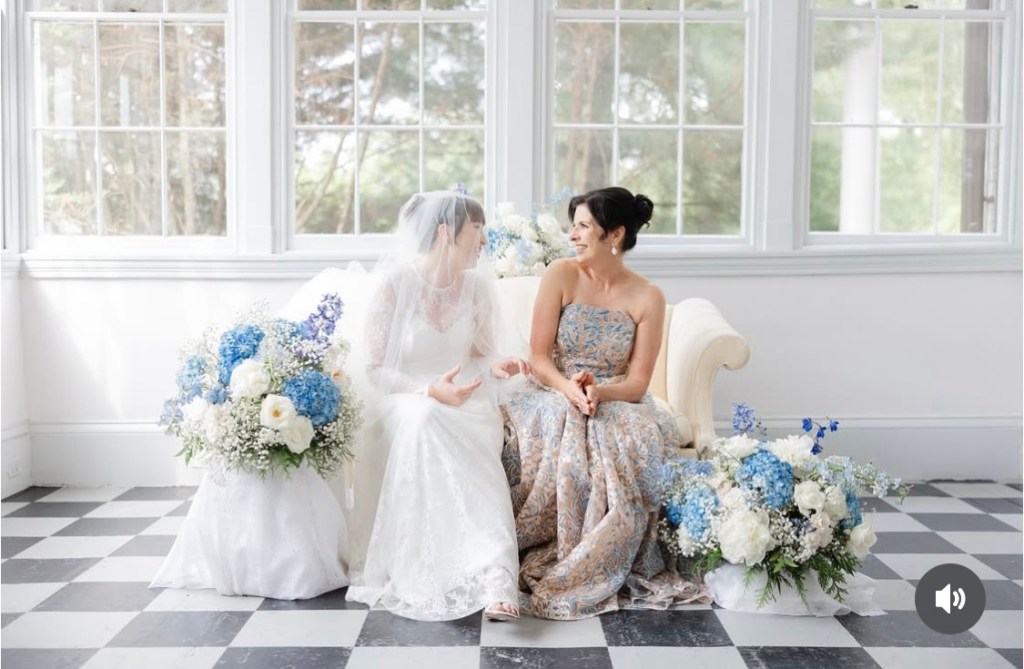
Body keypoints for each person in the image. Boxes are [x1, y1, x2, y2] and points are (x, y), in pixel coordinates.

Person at [500, 186, 708, 620]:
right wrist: (570, 389)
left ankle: (604, 557)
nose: (572, 235)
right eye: (572, 225)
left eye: (583, 226)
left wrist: (599, 392)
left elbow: (637, 382)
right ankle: (549, 546)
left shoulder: (647, 296)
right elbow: (540, 357)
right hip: (554, 387)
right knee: (563, 423)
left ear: (615, 235)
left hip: (614, 395)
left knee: (629, 436)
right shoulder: (561, 274)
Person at [345, 190, 528, 621]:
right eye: (477, 229)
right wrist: (428, 391)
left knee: (462, 422)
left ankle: (496, 573)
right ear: (446, 232)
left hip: (463, 396)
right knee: (425, 418)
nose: (484, 240)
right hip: (405, 399)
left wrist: (498, 365)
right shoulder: (393, 286)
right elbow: (375, 369)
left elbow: (480, 354)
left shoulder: (477, 288)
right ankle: (431, 573)